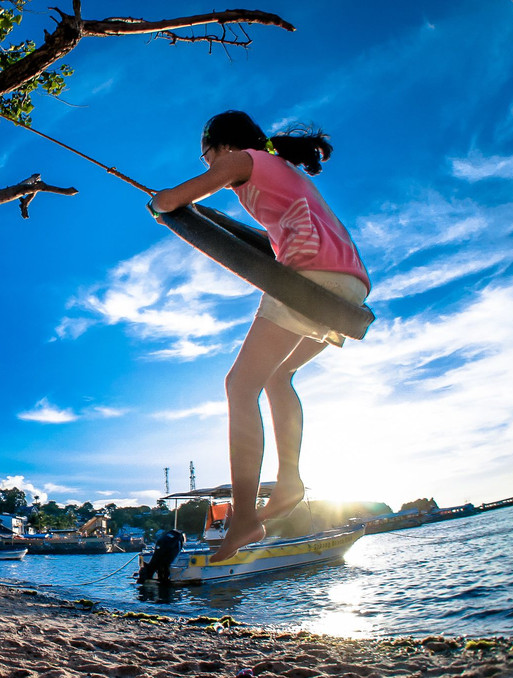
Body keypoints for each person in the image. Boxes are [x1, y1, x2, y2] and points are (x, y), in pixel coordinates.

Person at [149, 111, 370, 562]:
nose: (208, 161)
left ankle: (246, 517)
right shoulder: (281, 169)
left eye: (205, 153)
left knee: (239, 386)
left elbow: (172, 200)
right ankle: (289, 479)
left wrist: (158, 203)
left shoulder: (241, 159)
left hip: (312, 276)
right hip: (351, 282)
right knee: (278, 376)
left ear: (220, 145)